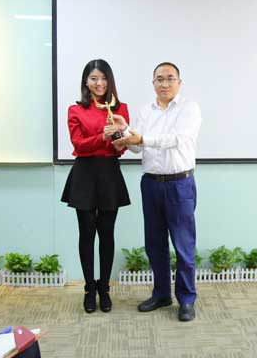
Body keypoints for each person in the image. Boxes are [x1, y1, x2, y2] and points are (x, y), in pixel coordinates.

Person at [111, 62, 201, 322]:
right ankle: (162, 294)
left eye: (170, 78)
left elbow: (177, 139)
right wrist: (124, 131)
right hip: (151, 184)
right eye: (159, 79)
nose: (164, 83)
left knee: (183, 246)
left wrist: (141, 139)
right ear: (153, 83)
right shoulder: (145, 111)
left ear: (179, 83)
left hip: (179, 184)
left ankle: (186, 299)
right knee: (154, 244)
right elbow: (137, 148)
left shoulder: (189, 108)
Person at [61, 59, 131, 313]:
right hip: (85, 174)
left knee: (107, 234)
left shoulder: (120, 109)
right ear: (86, 82)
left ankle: (104, 288)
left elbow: (121, 149)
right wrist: (101, 136)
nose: (99, 83)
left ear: (109, 80)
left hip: (109, 173)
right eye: (93, 78)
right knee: (86, 233)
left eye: (103, 78)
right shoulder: (75, 109)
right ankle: (89, 289)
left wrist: (119, 139)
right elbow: (78, 145)